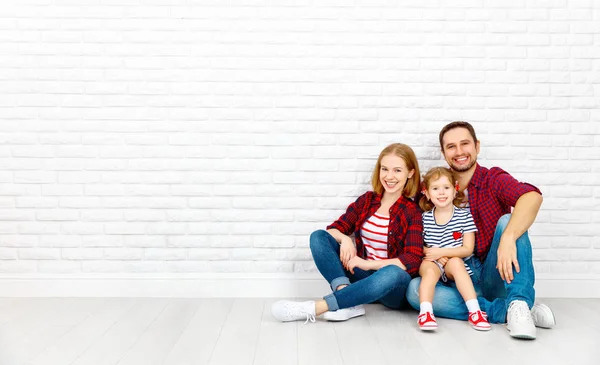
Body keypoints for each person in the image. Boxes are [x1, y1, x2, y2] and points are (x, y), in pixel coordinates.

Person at [406, 121, 556, 339]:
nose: (459, 152)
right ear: (443, 152)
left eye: (465, 144)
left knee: (509, 220)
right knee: (414, 290)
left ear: (477, 146)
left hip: (496, 271)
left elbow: (532, 196)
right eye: (451, 146)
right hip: (458, 280)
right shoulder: (436, 185)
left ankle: (519, 303)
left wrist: (508, 237)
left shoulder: (492, 179)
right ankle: (507, 310)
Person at [272, 143, 424, 323]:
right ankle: (348, 300)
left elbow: (413, 260)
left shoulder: (412, 211)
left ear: (410, 173)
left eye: (397, 170)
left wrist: (368, 265)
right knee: (319, 237)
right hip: (361, 278)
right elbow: (334, 229)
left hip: (390, 287)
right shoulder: (368, 200)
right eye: (384, 169)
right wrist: (345, 239)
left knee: (394, 272)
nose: (389, 176)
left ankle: (317, 307)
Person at [416, 166, 490, 331]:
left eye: (446, 188)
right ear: (427, 193)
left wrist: (442, 252)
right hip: (432, 262)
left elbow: (467, 249)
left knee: (456, 262)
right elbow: (418, 245)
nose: (441, 193)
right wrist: (432, 254)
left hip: (454, 263)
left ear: (455, 189)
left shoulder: (464, 216)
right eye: (435, 188)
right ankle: (425, 313)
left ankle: (475, 311)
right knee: (428, 271)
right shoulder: (424, 218)